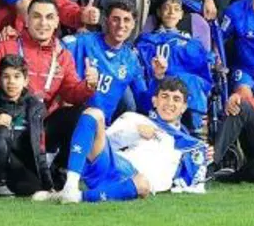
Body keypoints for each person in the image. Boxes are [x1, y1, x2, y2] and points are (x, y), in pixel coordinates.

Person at [45, 76, 210, 203]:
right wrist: (133, 132)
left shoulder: (189, 143)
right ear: (154, 101)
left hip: (137, 183)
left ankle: (76, 196)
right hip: (113, 166)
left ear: (184, 107)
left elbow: (191, 177)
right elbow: (103, 142)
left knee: (142, 184)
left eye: (176, 99)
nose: (169, 103)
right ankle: (71, 185)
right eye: (165, 96)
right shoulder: (135, 119)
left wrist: (205, 158)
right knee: (94, 114)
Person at [0, 0, 95, 170]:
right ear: (26, 20)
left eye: (49, 17)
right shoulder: (6, 48)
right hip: (9, 125)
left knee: (83, 115)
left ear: (57, 22)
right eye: (37, 16)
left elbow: (72, 94)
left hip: (41, 127)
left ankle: (61, 172)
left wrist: (88, 85)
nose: (43, 23)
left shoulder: (63, 56)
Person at [136, 0, 218, 133]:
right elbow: (144, 66)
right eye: (166, 8)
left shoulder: (190, 41)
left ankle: (195, 128)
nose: (171, 12)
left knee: (193, 81)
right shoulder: (148, 40)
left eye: (176, 9)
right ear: (159, 12)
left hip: (187, 86)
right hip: (159, 81)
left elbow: (201, 67)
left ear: (181, 15)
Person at [66, 0, 156, 122]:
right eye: (116, 19)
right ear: (106, 21)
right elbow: (55, 54)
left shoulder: (132, 60)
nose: (121, 25)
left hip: (101, 126)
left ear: (133, 24)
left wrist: (157, 78)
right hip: (71, 119)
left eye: (127, 20)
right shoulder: (82, 42)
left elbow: (144, 103)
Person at [0, 54, 53, 197]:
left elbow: (39, 146)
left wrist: (48, 183)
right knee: (2, 130)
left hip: (20, 162)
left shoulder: (35, 107)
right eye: (6, 77)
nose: (11, 82)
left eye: (17, 76)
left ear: (26, 81)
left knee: (33, 187)